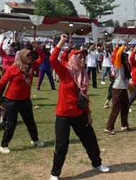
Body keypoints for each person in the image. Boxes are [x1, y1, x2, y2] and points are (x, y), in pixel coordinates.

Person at [49, 34, 109, 180]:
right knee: (62, 146)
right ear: (74, 59)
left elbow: (84, 98)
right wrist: (61, 42)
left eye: (84, 57)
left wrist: (88, 113)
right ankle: (55, 173)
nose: (83, 60)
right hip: (63, 115)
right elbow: (52, 59)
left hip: (79, 114)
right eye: (80, 57)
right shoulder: (65, 72)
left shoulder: (84, 76)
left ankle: (97, 164)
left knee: (90, 140)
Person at [0, 45, 45, 154]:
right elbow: (2, 82)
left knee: (30, 122)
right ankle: (3, 145)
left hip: (25, 100)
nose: (30, 58)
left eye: (31, 56)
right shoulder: (13, 68)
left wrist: (37, 48)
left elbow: (42, 57)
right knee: (11, 124)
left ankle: (35, 140)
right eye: (28, 56)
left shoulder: (32, 66)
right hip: (11, 101)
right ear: (22, 57)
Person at [105, 39, 130, 134]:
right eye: (126, 58)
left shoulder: (125, 67)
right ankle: (109, 127)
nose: (127, 60)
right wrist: (123, 45)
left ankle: (124, 125)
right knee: (115, 108)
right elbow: (118, 54)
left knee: (125, 107)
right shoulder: (118, 65)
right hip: (117, 89)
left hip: (123, 88)